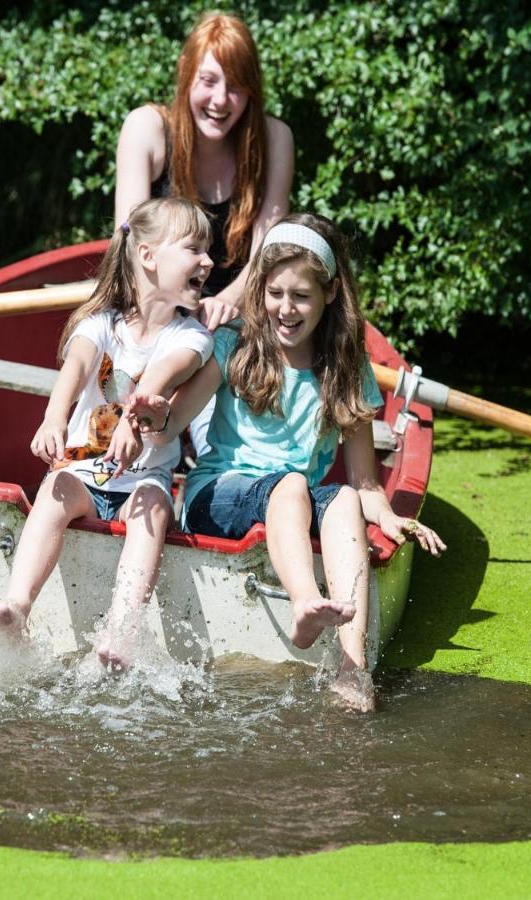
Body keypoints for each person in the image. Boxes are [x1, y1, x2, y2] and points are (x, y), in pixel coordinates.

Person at [126, 214, 447, 711]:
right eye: (274, 293)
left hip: (290, 496)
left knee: (338, 499)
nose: (285, 309)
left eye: (300, 296)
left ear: (331, 292)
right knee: (292, 485)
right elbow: (172, 424)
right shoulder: (235, 345)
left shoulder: (347, 365)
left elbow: (363, 481)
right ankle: (304, 602)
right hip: (219, 494)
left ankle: (352, 667)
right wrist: (152, 414)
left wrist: (390, 516)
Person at [0, 197, 216, 670]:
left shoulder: (192, 336)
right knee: (54, 487)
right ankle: (18, 606)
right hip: (87, 474)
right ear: (148, 255)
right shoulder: (101, 324)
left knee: (154, 509)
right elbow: (79, 363)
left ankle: (120, 631)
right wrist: (53, 417)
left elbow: (167, 371)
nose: (208, 261)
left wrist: (134, 417)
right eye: (194, 249)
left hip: (142, 481)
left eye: (208, 250)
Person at [116, 12, 293, 332]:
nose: (220, 100)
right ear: (186, 70)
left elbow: (268, 254)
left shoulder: (274, 140)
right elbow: (128, 245)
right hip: (151, 315)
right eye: (208, 80)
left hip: (234, 320)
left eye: (236, 86)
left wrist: (224, 304)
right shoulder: (146, 128)